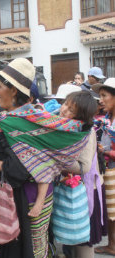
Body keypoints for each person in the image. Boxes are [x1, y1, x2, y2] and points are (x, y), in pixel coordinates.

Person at [0, 58, 90, 258]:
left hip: (22, 201)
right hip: (14, 196)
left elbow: (18, 171)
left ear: (14, 90)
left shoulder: (20, 125)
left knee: (21, 250)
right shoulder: (8, 120)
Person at [59, 91, 108, 258]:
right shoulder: (64, 125)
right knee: (75, 237)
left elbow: (84, 166)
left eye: (71, 109)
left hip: (87, 191)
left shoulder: (86, 131)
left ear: (81, 116)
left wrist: (55, 159)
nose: (64, 109)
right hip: (76, 188)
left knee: (84, 240)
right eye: (65, 103)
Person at [92, 78, 115, 256]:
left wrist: (105, 152)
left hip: (112, 168)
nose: (100, 100)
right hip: (108, 170)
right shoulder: (106, 119)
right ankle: (112, 245)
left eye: (104, 95)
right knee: (110, 211)